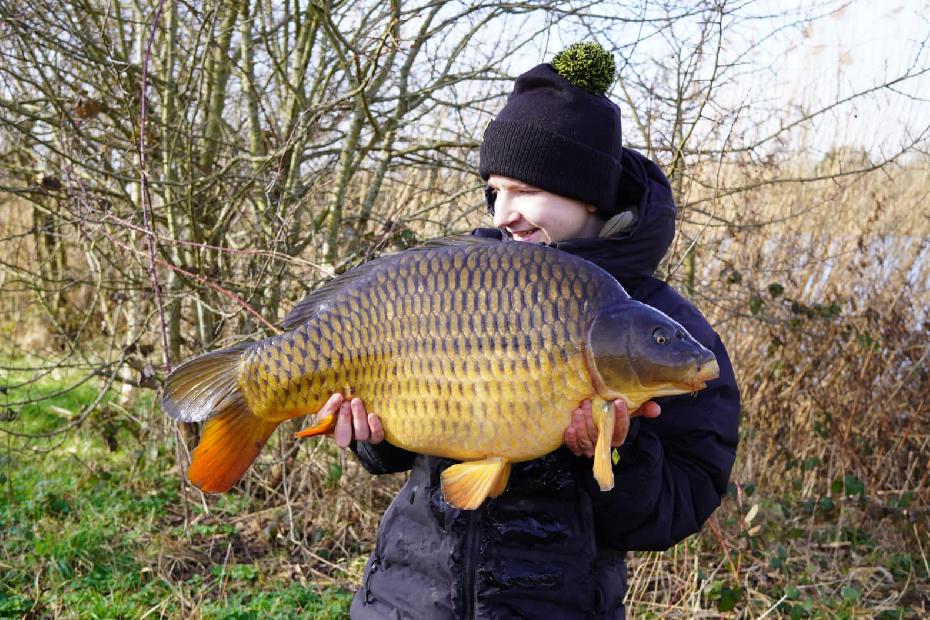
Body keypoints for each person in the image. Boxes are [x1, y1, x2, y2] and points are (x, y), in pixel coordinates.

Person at [314, 42, 741, 619]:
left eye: (526, 191)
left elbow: (674, 510)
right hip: (408, 601)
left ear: (589, 197)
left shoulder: (662, 328)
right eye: (495, 189)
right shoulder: (462, 278)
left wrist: (618, 451)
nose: (500, 214)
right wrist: (373, 434)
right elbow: (401, 439)